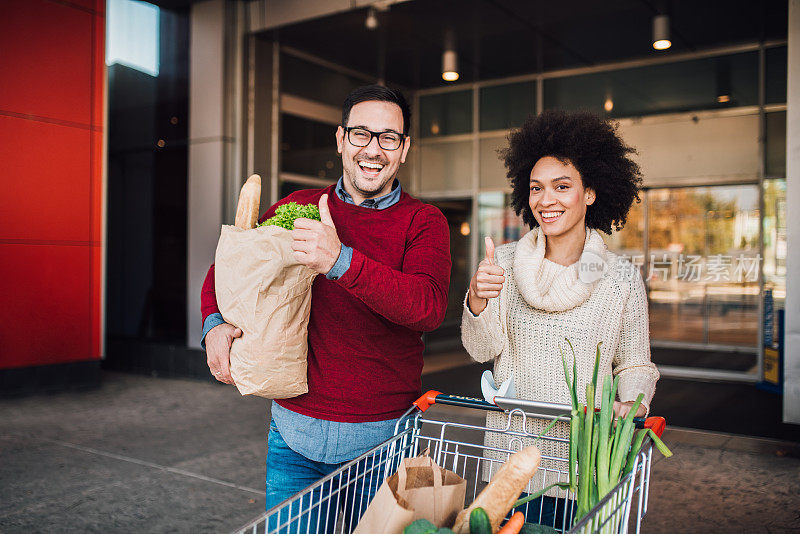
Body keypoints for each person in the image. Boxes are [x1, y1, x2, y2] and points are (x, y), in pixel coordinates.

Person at [200, 85, 451, 531]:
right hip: (292, 438)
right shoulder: (297, 208)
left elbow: (427, 307)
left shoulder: (423, 221)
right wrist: (214, 324)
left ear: (404, 149)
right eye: (360, 134)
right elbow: (229, 270)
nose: (373, 149)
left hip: (385, 445)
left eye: (388, 137)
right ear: (340, 140)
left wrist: (341, 261)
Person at [461, 109, 659, 528]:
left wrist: (632, 403)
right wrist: (478, 300)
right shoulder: (507, 261)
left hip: (586, 464)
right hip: (511, 462)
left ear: (590, 193)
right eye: (536, 188)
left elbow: (635, 363)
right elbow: (482, 350)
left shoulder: (619, 277)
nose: (545, 200)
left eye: (562, 186)